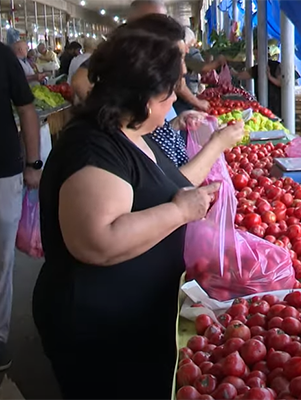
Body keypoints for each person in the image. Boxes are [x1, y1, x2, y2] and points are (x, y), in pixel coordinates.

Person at [32, 15, 244, 400]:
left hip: (136, 321)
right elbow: (97, 241)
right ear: (146, 96)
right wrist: (180, 212)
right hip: (99, 334)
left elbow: (167, 186)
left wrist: (212, 152)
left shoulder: (131, 131)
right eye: (171, 91)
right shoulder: (92, 147)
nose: (176, 98)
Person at [71, 0, 211, 112]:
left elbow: (178, 80)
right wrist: (115, 121)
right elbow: (79, 81)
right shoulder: (120, 45)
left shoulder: (161, 46)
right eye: (155, 23)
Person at [0, 42, 42, 371]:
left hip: (4, 173)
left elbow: (27, 108)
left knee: (2, 260)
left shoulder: (2, 56)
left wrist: (34, 163)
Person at [232, 40, 298, 117]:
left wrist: (270, 77)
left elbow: (283, 83)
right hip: (270, 103)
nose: (256, 57)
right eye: (255, 54)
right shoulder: (258, 68)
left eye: (257, 54)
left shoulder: (276, 66)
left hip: (277, 103)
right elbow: (240, 75)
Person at [173, 27, 227, 114]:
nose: (188, 50)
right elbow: (180, 86)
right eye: (189, 46)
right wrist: (217, 62)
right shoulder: (187, 55)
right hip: (180, 104)